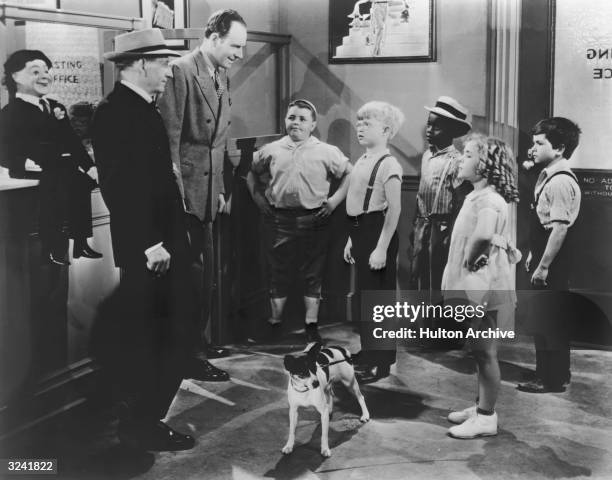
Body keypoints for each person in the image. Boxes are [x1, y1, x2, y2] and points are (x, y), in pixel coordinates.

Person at [91, 29, 195, 451]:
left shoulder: (140, 108)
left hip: (164, 243)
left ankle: (145, 418)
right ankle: (141, 423)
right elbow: (121, 187)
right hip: (152, 249)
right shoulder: (116, 111)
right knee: (156, 337)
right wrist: (150, 243)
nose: (170, 72)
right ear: (139, 64)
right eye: (164, 63)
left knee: (170, 333)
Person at [158, 9, 247, 381]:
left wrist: (222, 189)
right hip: (187, 198)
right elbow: (169, 143)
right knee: (191, 280)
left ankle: (197, 345)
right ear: (213, 37)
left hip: (210, 195)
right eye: (235, 45)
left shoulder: (221, 74)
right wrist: (179, 201)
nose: (239, 54)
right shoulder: (181, 71)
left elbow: (219, 142)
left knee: (206, 277)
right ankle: (188, 355)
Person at [247, 99, 351, 343]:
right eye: (291, 117)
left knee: (313, 274)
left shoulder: (326, 151)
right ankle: (274, 324)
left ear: (313, 124)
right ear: (285, 120)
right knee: (277, 272)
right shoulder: (271, 150)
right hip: (278, 221)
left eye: (302, 119)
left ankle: (311, 325)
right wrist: (259, 201)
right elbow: (251, 173)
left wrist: (334, 202)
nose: (296, 123)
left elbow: (349, 173)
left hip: (314, 220)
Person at [442, 135, 520, 439]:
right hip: (480, 281)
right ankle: (482, 405)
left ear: (485, 165)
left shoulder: (488, 199)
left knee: (485, 351)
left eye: (469, 155)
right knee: (479, 350)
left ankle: (486, 417)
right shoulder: (479, 195)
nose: (462, 159)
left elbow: (484, 234)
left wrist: (470, 259)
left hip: (484, 285)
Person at [0, 49, 102, 265]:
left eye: (46, 70)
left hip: (58, 166)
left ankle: (80, 241)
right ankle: (53, 245)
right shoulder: (10, 112)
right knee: (56, 184)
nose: (44, 76)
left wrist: (90, 167)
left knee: (82, 181)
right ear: (15, 77)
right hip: (31, 170)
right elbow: (3, 149)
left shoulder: (56, 107)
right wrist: (23, 162)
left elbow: (72, 142)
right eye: (35, 71)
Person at [517, 117, 582, 394]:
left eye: (539, 143)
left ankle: (549, 378)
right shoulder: (549, 175)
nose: (533, 148)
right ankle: (556, 373)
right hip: (545, 251)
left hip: (553, 258)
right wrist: (535, 253)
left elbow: (558, 230)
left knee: (548, 320)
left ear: (560, 148)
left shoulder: (558, 182)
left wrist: (543, 266)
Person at [343, 101, 404, 383]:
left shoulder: (388, 163)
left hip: (378, 231)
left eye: (367, 123)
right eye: (359, 122)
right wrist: (350, 240)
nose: (360, 127)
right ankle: (369, 351)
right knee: (366, 299)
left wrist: (380, 247)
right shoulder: (363, 159)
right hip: (360, 231)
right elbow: (355, 199)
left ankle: (380, 359)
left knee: (378, 301)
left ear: (387, 130)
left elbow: (394, 209)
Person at [409, 96, 472, 293]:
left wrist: (450, 234)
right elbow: (421, 193)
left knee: (437, 278)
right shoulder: (427, 156)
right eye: (429, 125)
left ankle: (437, 322)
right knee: (418, 276)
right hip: (422, 226)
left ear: (451, 132)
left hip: (442, 230)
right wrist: (416, 224)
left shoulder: (456, 161)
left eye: (436, 127)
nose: (429, 130)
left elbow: (461, 203)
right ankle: (421, 322)